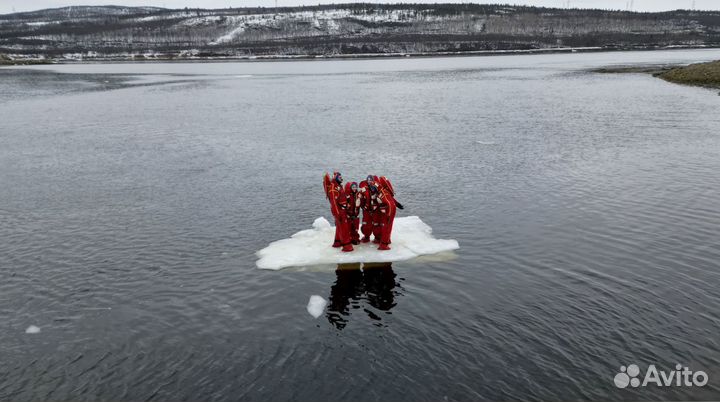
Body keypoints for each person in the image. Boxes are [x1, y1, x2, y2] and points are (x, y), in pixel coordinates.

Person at [323, 171, 353, 252]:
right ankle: (347, 246)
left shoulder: (338, 186)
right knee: (344, 228)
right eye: (339, 177)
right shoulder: (333, 188)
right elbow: (334, 203)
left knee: (340, 227)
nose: (341, 178)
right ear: (336, 178)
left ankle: (337, 242)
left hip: (342, 209)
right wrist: (338, 214)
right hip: (339, 211)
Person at [375, 176, 401, 251]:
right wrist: (389, 214)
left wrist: (396, 204)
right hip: (388, 212)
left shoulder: (382, 192)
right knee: (386, 227)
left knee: (386, 227)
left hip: (388, 211)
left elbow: (389, 201)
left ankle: (385, 242)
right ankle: (383, 244)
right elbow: (389, 202)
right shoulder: (383, 192)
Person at [358, 175, 379, 243]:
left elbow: (382, 197)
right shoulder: (364, 189)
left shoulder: (377, 188)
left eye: (371, 180)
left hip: (375, 210)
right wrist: (361, 206)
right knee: (366, 224)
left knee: (376, 224)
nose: (369, 181)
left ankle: (377, 237)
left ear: (373, 181)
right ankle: (366, 236)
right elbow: (359, 197)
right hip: (366, 210)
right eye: (368, 180)